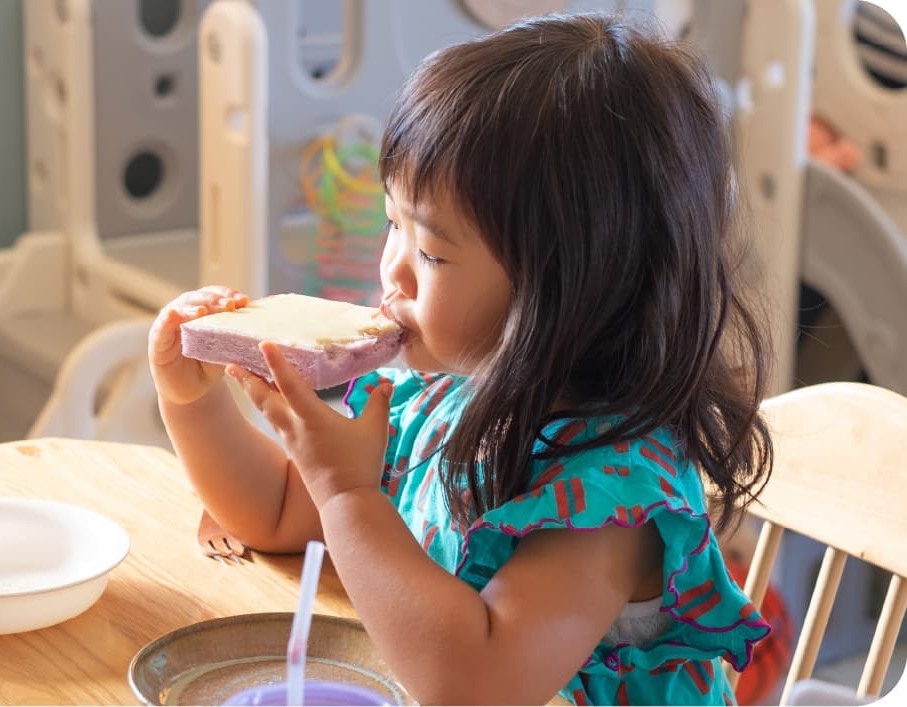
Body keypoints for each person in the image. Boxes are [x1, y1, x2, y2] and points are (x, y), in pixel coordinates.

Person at [149, 12, 774, 705]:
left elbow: (472, 684)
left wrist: (348, 493)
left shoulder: (609, 501)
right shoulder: (443, 399)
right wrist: (194, 400)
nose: (394, 271)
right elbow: (275, 513)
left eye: (433, 252)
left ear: (567, 290)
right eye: (394, 222)